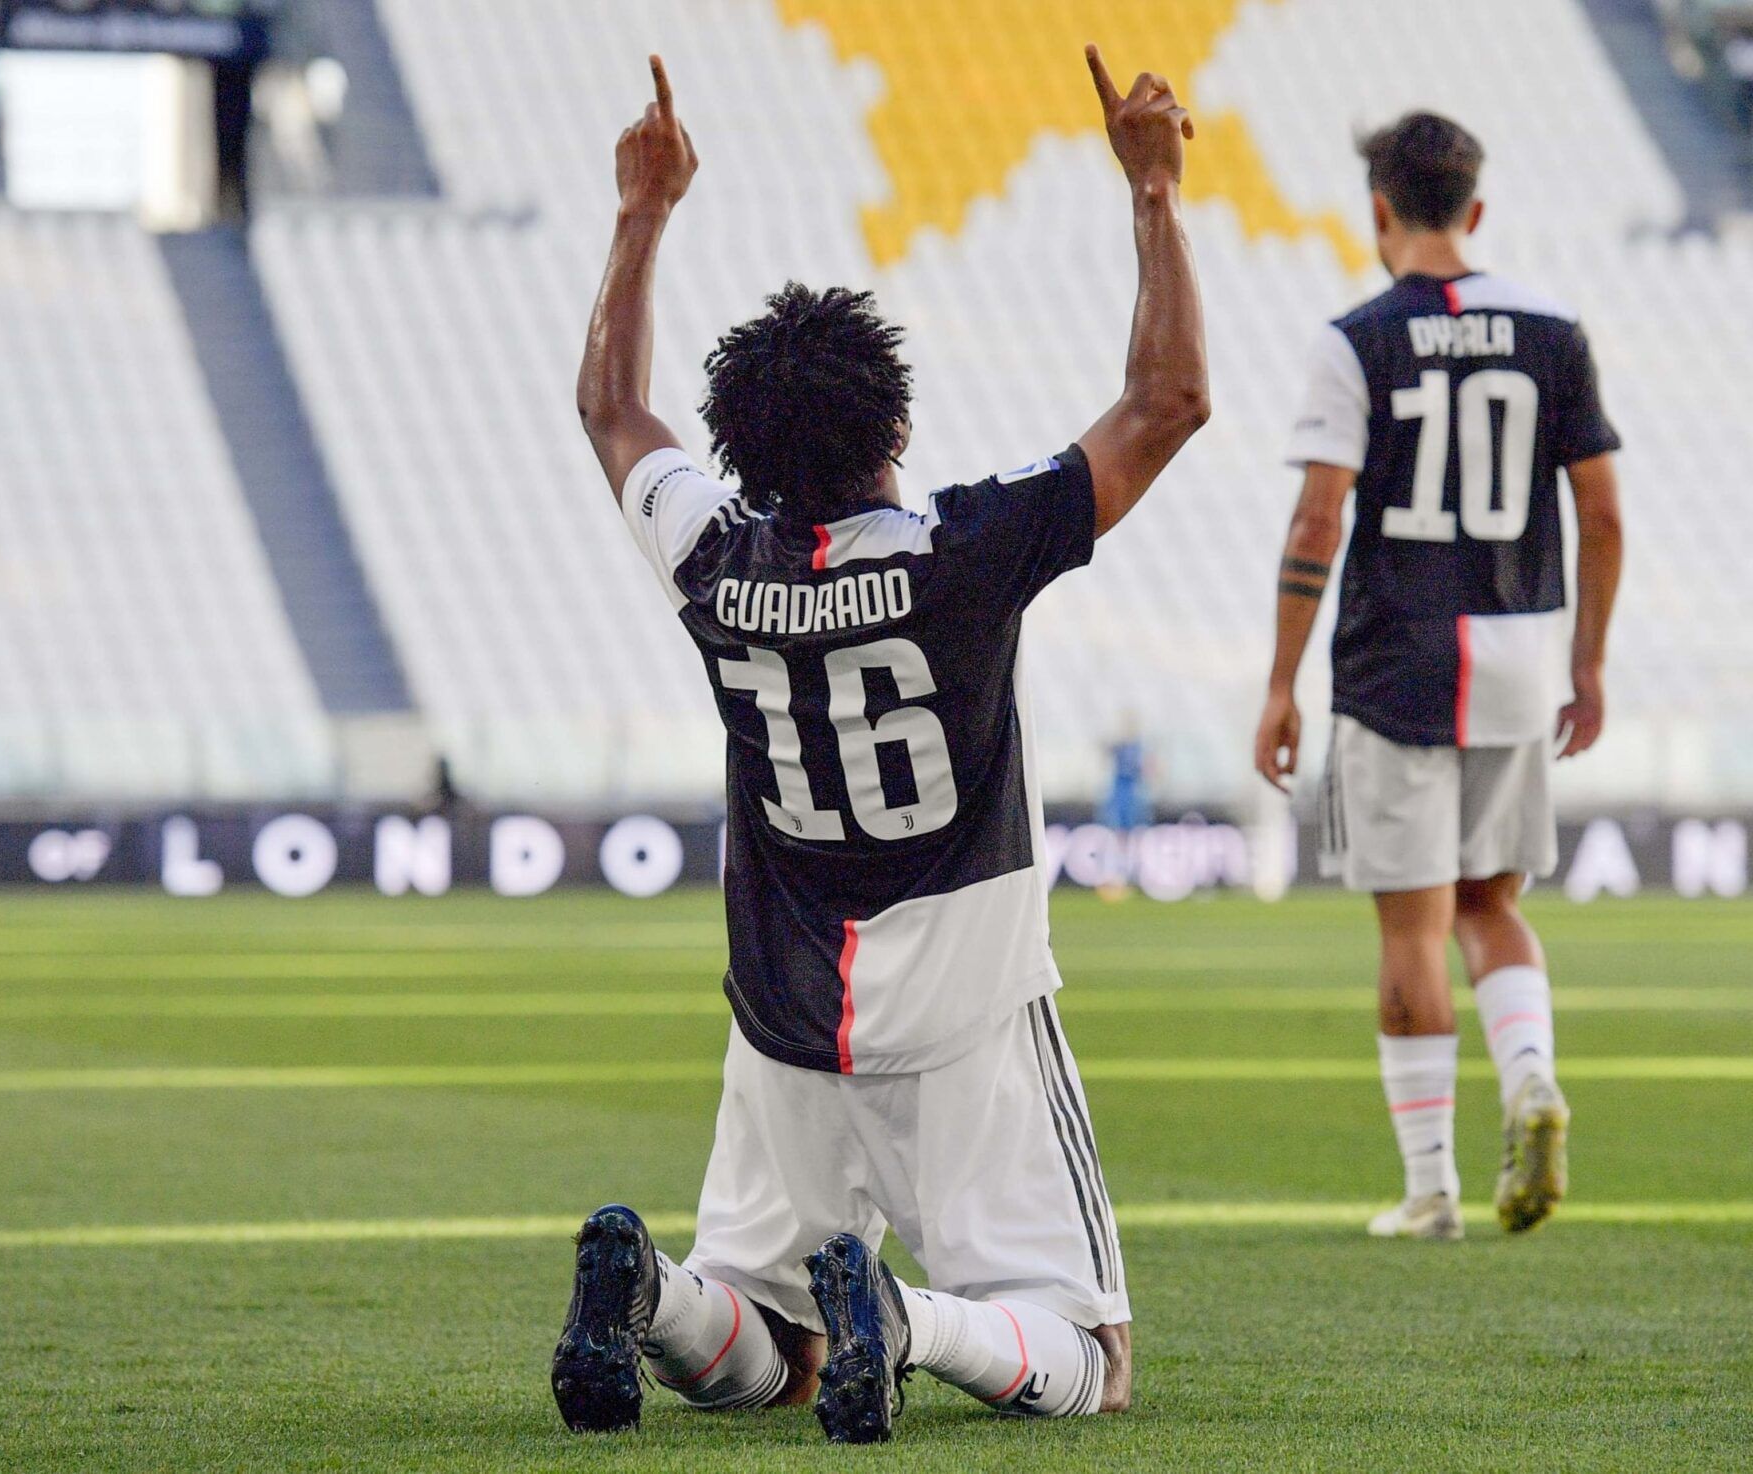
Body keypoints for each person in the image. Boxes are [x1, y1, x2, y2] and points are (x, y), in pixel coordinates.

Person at [552, 49, 1206, 1442]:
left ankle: (652, 1296)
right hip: (964, 1009)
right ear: (895, 423)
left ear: (737, 449)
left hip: (782, 1014)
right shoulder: (964, 552)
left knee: (771, 1344)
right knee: (1091, 1355)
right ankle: (911, 1321)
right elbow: (1168, 404)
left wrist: (640, 211)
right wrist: (1152, 189)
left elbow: (611, 409)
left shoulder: (716, 563)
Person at [1253, 113, 1623, 1241]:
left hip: (1395, 664)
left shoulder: (1355, 340)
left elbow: (1318, 519)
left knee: (1410, 929)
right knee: (1490, 904)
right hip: (1518, 654)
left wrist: (1280, 682)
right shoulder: (1554, 332)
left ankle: (1431, 1191)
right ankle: (1530, 1077)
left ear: (1378, 209)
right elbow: (1602, 515)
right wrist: (1587, 662)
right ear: (1476, 208)